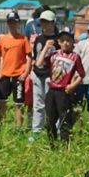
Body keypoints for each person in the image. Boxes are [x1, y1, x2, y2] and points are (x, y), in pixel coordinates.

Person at [40, 29, 84, 145]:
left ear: (73, 42)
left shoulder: (75, 57)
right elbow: (39, 63)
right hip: (52, 91)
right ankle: (52, 143)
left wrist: (72, 86)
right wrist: (46, 48)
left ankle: (65, 146)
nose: (65, 43)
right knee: (50, 120)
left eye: (68, 40)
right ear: (58, 42)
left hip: (64, 92)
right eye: (63, 40)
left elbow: (82, 75)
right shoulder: (53, 55)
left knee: (64, 120)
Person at [0, 12, 32, 129]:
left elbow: (29, 57)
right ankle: (1, 125)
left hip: (18, 75)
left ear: (18, 23)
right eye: (10, 22)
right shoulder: (3, 39)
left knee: (18, 103)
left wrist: (25, 73)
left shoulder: (23, 39)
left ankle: (19, 128)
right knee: (2, 101)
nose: (12, 24)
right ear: (7, 23)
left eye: (14, 22)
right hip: (5, 75)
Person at [30, 9, 58, 137]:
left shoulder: (58, 40)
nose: (45, 25)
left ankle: (52, 128)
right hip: (38, 73)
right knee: (38, 104)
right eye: (42, 22)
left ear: (53, 23)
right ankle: (36, 130)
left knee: (51, 105)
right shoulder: (39, 39)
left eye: (47, 22)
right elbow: (36, 58)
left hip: (51, 75)